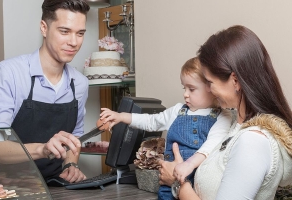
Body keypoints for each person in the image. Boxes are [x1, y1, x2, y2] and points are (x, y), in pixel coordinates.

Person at [169, 25, 292, 200]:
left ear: (235, 81)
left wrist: (179, 186)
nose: (209, 91)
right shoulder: (236, 126)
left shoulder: (253, 142)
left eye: (210, 82)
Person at [0, 0, 90, 183]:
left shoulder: (79, 84)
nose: (73, 42)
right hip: (8, 187)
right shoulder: (9, 74)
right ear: (44, 28)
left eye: (80, 34)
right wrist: (42, 149)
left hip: (55, 186)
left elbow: (74, 138)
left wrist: (71, 165)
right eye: (64, 31)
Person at [99, 57, 233, 199]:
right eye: (184, 88)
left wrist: (188, 165)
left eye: (191, 89)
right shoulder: (177, 111)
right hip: (168, 185)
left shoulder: (222, 117)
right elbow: (151, 121)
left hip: (196, 188)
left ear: (211, 89)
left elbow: (211, 146)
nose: (185, 94)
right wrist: (121, 116)